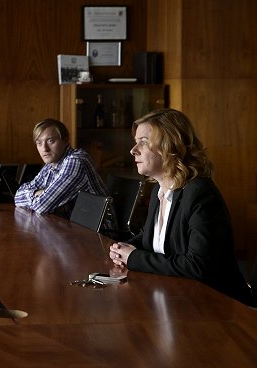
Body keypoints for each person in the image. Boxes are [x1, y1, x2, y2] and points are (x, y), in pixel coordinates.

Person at [109, 109, 254, 306]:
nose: (133, 150)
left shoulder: (200, 193)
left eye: (143, 142)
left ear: (171, 146)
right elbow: (150, 238)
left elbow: (197, 266)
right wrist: (121, 248)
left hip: (217, 307)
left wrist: (133, 257)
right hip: (177, 298)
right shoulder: (158, 190)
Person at [14, 118, 107, 218]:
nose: (44, 149)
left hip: (97, 232)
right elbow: (17, 197)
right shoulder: (52, 162)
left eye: (50, 141)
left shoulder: (75, 162)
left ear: (65, 141)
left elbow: (42, 206)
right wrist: (37, 193)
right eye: (39, 143)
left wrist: (40, 194)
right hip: (72, 226)